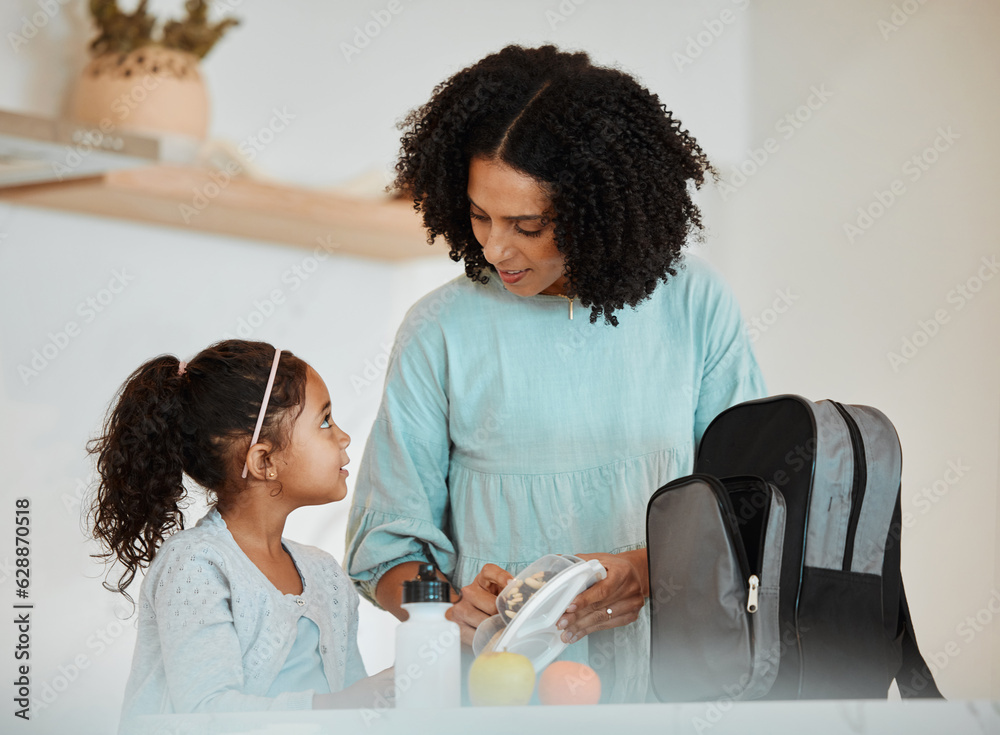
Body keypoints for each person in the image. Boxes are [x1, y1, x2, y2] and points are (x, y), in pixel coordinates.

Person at [345, 44, 767, 702]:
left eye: (527, 224)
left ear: (600, 208)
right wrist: (448, 605)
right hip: (496, 698)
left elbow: (752, 504)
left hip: (679, 693)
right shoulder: (440, 329)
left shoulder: (694, 306)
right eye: (480, 215)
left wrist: (649, 569)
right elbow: (387, 542)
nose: (494, 247)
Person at [88, 340, 393, 718]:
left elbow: (353, 709)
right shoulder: (196, 565)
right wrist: (345, 703)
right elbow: (207, 714)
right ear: (264, 460)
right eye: (325, 421)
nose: (343, 437)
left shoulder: (326, 574)